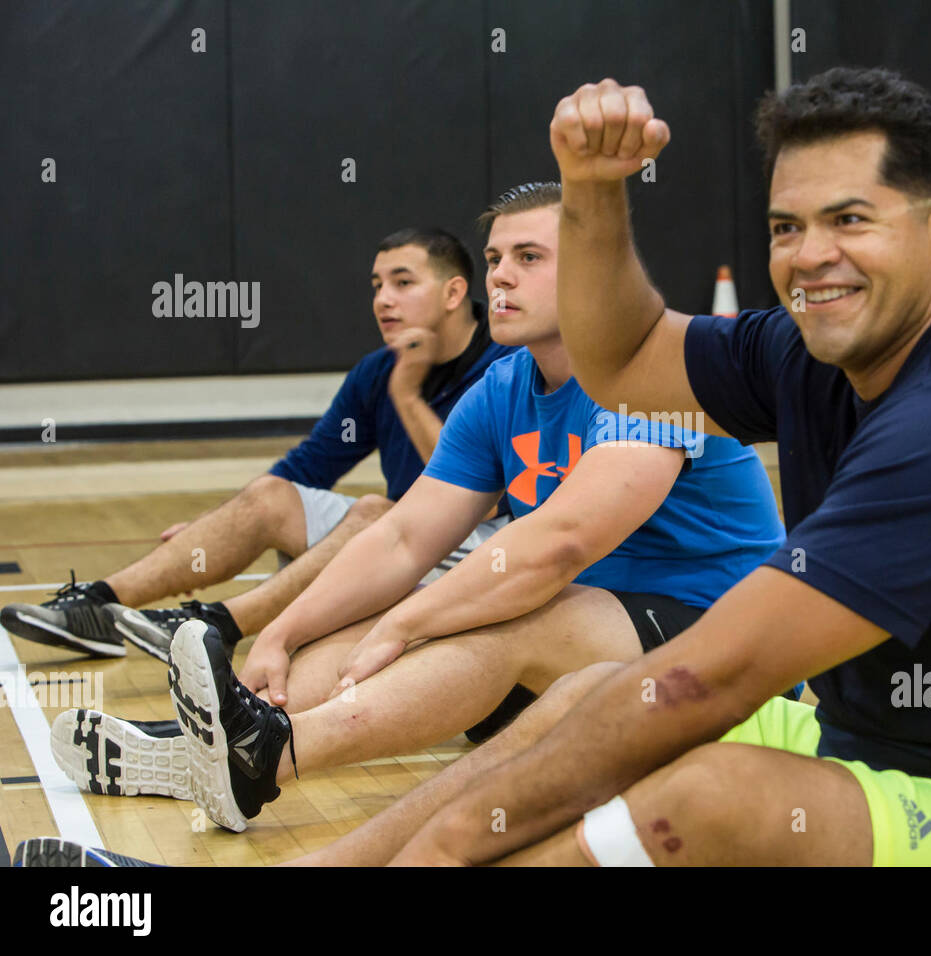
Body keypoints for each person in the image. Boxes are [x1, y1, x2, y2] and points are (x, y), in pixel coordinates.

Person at [310, 68, 931, 867]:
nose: (809, 256)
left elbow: (710, 676)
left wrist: (454, 848)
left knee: (711, 796)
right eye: (785, 228)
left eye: (849, 220)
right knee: (592, 696)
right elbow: (624, 355)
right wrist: (593, 188)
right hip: (875, 753)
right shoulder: (810, 355)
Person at [54, 183, 785, 833]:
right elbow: (404, 537)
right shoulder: (502, 389)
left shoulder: (654, 371)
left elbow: (560, 544)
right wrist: (280, 632)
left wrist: (410, 622)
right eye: (495, 258)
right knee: (363, 621)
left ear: (597, 270)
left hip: (721, 642)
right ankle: (204, 751)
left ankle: (266, 758)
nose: (499, 276)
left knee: (508, 614)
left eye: (528, 257)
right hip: (591, 645)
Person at [2, 228, 514, 663]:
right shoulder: (378, 369)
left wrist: (407, 395)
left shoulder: (502, 365)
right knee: (270, 495)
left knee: (374, 512)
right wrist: (216, 529)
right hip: (405, 539)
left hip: (486, 548)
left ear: (452, 293)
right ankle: (97, 606)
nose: (383, 299)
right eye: (377, 285)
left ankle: (211, 628)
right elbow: (306, 468)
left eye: (403, 283)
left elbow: (480, 497)